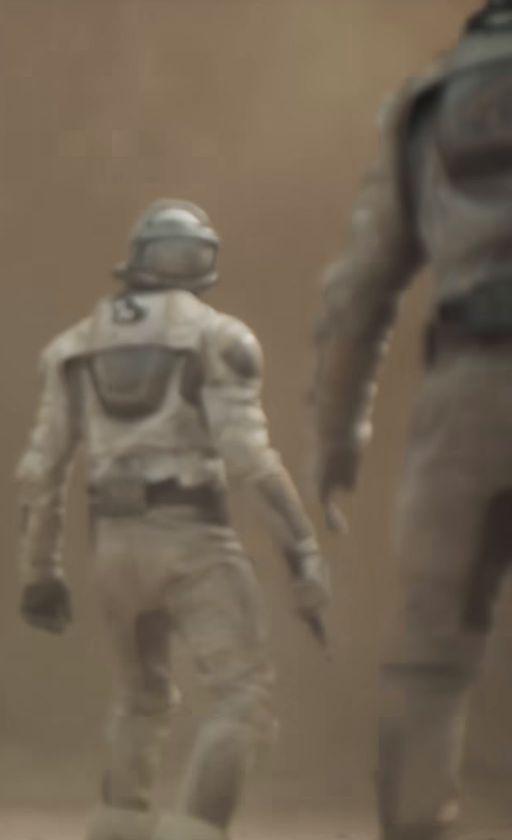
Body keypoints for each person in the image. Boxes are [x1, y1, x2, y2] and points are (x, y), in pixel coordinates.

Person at [17, 200, 329, 840]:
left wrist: (40, 570)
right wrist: (303, 554)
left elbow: (41, 472)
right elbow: (251, 462)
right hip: (191, 536)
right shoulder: (218, 338)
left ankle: (118, 826)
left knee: (142, 698)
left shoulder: (75, 347)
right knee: (243, 695)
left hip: (112, 545)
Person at [311, 4, 512, 837]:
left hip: (471, 387)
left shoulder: (428, 101)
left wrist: (338, 427)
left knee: (430, 656)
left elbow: (361, 290)